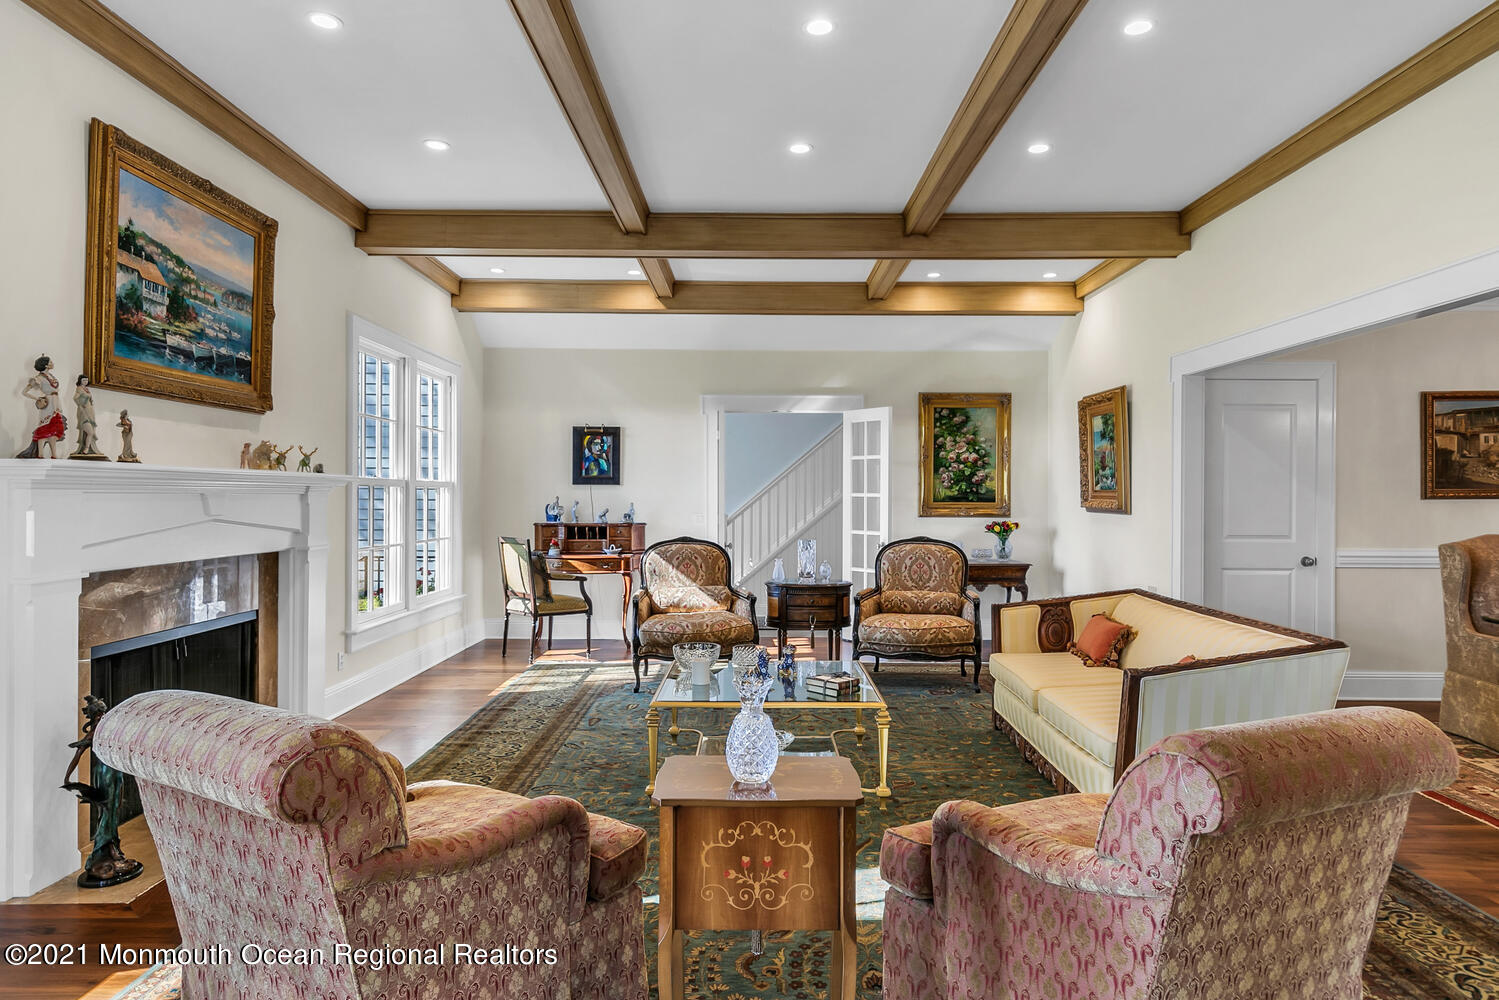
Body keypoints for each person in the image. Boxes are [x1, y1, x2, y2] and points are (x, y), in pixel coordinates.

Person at [16, 355, 66, 459]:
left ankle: (54, 454)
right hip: (48, 403)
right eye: (50, 362)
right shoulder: (38, 378)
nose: (52, 363)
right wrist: (37, 399)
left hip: (56, 402)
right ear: (46, 365)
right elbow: (24, 392)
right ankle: (40, 454)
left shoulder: (51, 376)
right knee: (44, 426)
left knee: (54, 428)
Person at [70, 376, 106, 459]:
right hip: (83, 412)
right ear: (80, 381)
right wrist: (81, 403)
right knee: (90, 432)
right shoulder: (79, 388)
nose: (85, 381)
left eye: (86, 380)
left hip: (90, 411)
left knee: (91, 431)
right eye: (83, 380)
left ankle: (88, 448)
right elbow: (75, 398)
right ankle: (86, 448)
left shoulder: (86, 389)